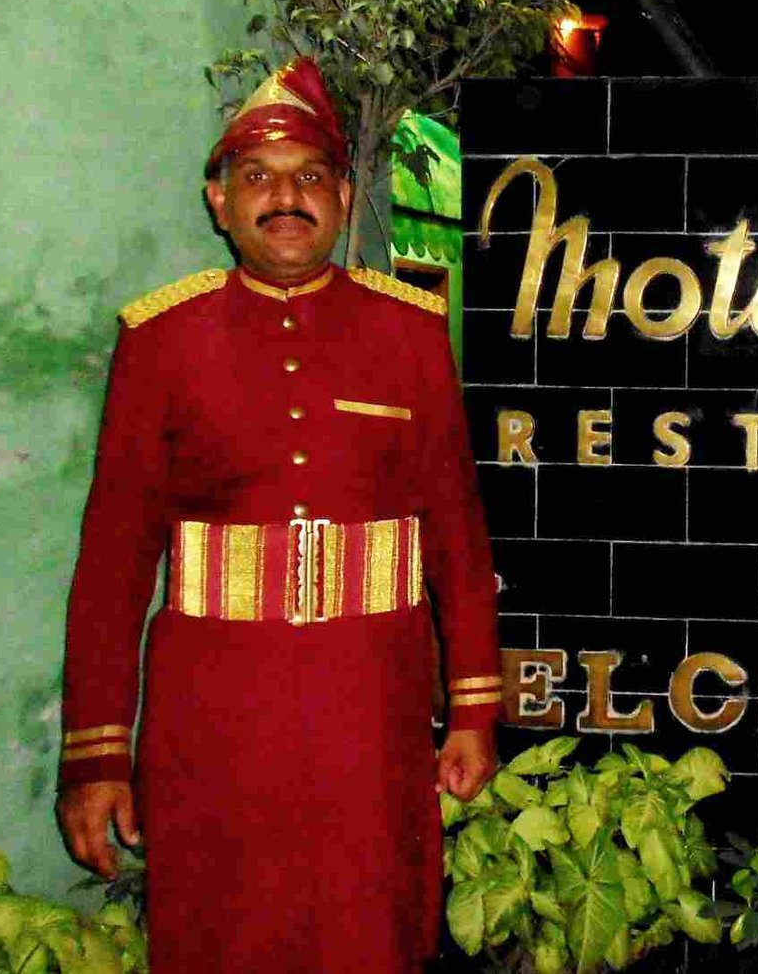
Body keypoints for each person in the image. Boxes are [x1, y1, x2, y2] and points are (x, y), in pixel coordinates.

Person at [54, 58, 502, 973]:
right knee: (222, 932)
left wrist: (473, 709)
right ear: (218, 203)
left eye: (308, 178)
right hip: (212, 716)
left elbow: (456, 533)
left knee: (370, 926)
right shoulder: (161, 338)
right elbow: (113, 559)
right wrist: (97, 758)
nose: (283, 197)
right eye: (257, 179)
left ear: (343, 195)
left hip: (368, 707)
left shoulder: (410, 330)